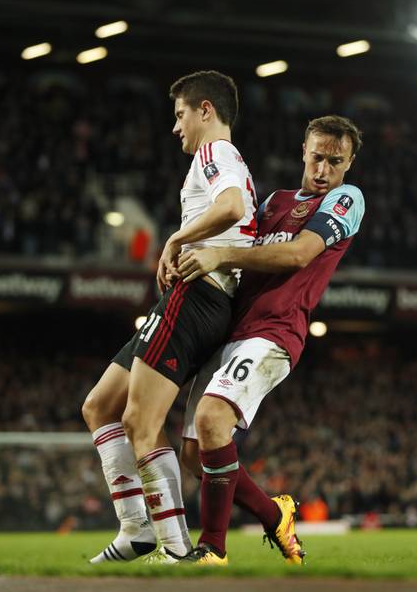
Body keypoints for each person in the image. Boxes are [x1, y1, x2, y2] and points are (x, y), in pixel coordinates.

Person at [81, 70, 258, 563]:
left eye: (181, 115)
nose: (176, 126)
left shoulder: (215, 151)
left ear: (206, 110)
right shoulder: (228, 159)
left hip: (197, 296)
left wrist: (178, 238)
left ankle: (175, 548)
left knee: (140, 419)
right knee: (99, 406)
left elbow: (232, 206)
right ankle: (134, 528)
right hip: (197, 298)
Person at [174, 115, 366, 565]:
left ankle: (213, 549)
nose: (323, 170)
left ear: (349, 164)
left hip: (275, 332)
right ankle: (274, 515)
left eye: (335, 162)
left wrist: (219, 254)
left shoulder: (346, 199)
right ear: (303, 152)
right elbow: (242, 251)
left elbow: (298, 254)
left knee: (212, 417)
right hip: (232, 329)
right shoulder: (275, 201)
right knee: (194, 456)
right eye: (317, 158)